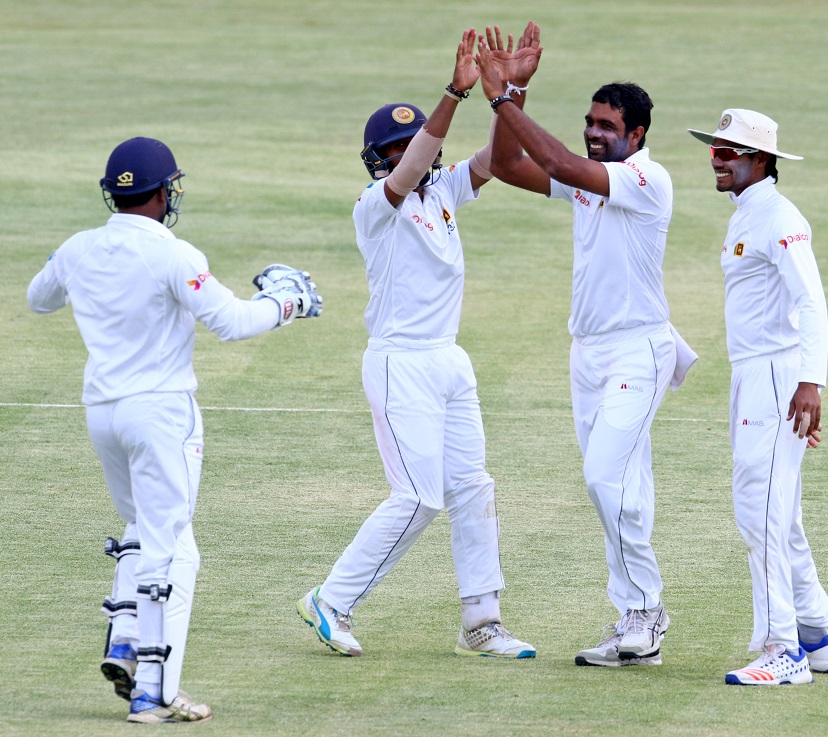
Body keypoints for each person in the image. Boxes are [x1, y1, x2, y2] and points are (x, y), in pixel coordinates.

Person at [27, 137, 321, 722]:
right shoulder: (173, 254)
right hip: (160, 412)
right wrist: (285, 303)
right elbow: (234, 322)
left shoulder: (78, 248)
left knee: (142, 525)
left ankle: (126, 638)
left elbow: (40, 299)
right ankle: (153, 691)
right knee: (175, 548)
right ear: (162, 193)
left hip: (103, 413)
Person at [296, 28, 535, 660]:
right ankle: (331, 599)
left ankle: (481, 624)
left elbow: (498, 159)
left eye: (416, 144)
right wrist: (452, 95)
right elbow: (409, 168)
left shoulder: (445, 190)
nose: (414, 155)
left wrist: (510, 94)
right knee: (419, 496)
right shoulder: (376, 205)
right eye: (399, 148)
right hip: (399, 362)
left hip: (449, 361)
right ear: (380, 160)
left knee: (472, 489)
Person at [474, 24, 697, 668]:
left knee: (605, 477)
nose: (595, 133)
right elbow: (511, 165)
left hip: (638, 351)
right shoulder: (591, 177)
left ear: (637, 136)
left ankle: (647, 612)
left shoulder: (645, 179)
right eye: (590, 122)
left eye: (607, 126)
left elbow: (554, 162)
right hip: (588, 353)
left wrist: (502, 101)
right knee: (621, 486)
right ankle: (634, 624)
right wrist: (512, 89)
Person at [687, 109, 828, 685]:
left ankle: (784, 651)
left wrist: (811, 382)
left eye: (730, 152)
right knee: (782, 515)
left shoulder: (779, 216)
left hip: (777, 378)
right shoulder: (748, 213)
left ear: (761, 160)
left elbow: (812, 301)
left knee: (762, 513)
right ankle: (816, 636)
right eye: (715, 150)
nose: (718, 160)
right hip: (754, 376)